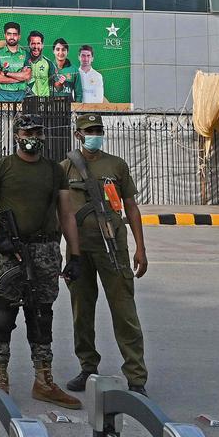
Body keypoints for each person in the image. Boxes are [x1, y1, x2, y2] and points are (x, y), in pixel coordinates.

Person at [0, 114, 83, 409]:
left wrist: (75, 255)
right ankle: (0, 379)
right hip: (12, 252)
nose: (33, 136)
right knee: (3, 315)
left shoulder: (55, 171)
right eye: (27, 131)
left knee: (41, 316)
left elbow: (66, 214)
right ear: (17, 135)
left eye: (37, 131)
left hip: (46, 250)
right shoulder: (3, 166)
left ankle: (44, 381)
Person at [59, 114, 150, 395]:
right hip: (79, 250)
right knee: (81, 312)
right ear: (78, 135)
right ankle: (87, 367)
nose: (94, 134)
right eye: (89, 130)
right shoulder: (65, 168)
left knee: (125, 312)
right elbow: (58, 211)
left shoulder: (116, 165)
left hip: (114, 248)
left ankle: (136, 377)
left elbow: (131, 207)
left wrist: (141, 247)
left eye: (98, 129)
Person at [0, 22, 30, 102]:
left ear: (19, 36)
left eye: (15, 34)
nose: (12, 37)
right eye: (9, 34)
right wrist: (20, 78)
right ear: (5, 35)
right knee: (2, 115)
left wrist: (6, 73)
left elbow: (26, 76)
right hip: (2, 95)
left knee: (21, 115)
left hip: (21, 95)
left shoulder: (26, 54)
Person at [25, 31, 56, 98]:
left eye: (38, 43)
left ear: (42, 45)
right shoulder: (22, 62)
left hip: (44, 103)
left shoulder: (49, 64)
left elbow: (54, 86)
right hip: (26, 102)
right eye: (33, 43)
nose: (36, 47)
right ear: (28, 44)